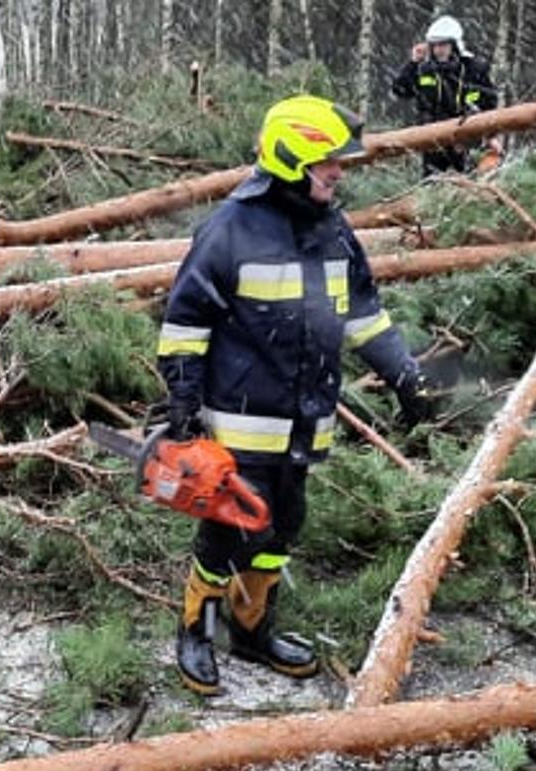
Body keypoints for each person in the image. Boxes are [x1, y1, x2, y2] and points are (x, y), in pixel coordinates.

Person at [155, 96, 435, 696]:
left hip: (306, 419)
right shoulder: (231, 228)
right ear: (290, 160)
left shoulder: (333, 229)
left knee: (282, 530)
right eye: (327, 161)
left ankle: (252, 629)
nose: (338, 171)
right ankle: (196, 630)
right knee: (228, 532)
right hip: (242, 420)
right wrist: (182, 404)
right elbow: (184, 323)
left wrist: (404, 374)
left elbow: (362, 316)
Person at [390, 15, 502, 175]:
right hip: (432, 140)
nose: (438, 50)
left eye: (443, 44)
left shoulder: (472, 68)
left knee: (466, 183)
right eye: (434, 45)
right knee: (431, 184)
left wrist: (490, 135)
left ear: (454, 45)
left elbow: (490, 101)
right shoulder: (424, 69)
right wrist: (413, 63)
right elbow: (400, 90)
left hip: (464, 140)